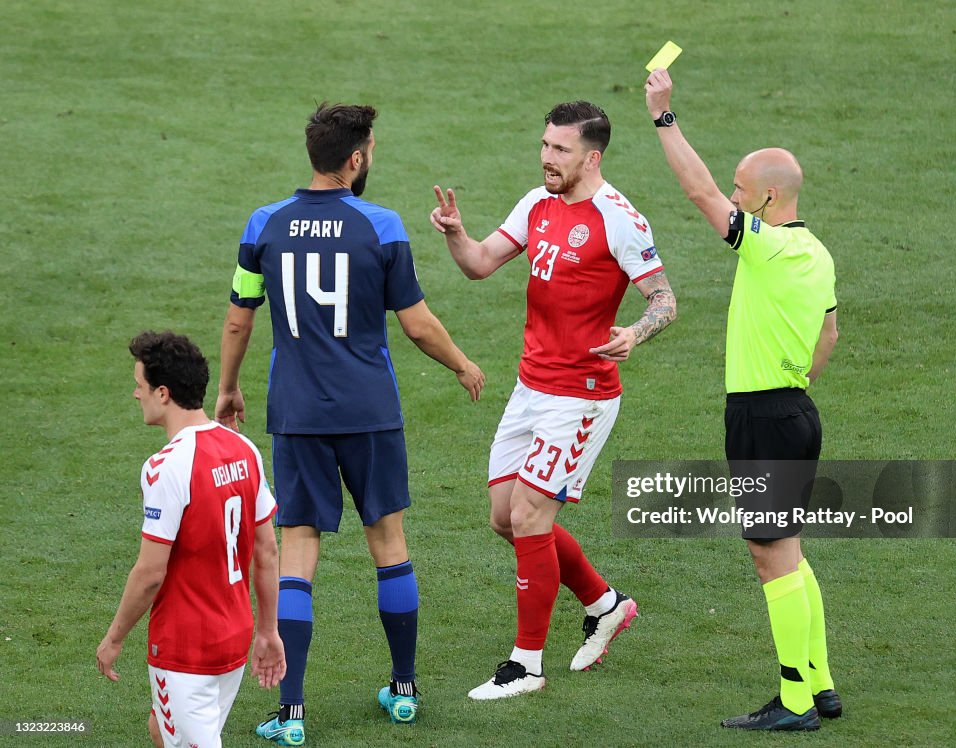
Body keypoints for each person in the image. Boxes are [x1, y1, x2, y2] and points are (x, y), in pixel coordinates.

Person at [217, 103, 485, 744]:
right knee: (388, 543)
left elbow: (238, 316)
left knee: (298, 551)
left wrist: (228, 387)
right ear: (357, 157)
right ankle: (403, 689)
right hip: (370, 411)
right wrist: (462, 363)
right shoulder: (382, 226)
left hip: (298, 413)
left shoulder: (263, 224)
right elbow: (416, 324)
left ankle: (291, 712)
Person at [431, 100, 677, 699]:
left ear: (591, 157)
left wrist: (634, 333)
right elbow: (482, 264)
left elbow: (664, 299)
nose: (546, 157)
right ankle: (606, 603)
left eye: (560, 150)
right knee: (503, 519)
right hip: (530, 387)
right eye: (545, 145)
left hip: (582, 395)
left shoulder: (620, 219)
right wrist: (458, 235)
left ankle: (526, 666)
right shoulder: (537, 204)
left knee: (529, 516)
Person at [644, 68, 841, 731]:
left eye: (741, 190)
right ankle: (821, 684)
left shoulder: (768, 248)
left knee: (770, 557)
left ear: (767, 197)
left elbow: (698, 191)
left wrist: (664, 118)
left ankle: (794, 702)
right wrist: (795, 381)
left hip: (763, 418)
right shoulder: (817, 252)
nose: (732, 195)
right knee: (791, 551)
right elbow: (830, 332)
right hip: (797, 412)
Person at [97, 331, 285, 748]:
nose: (135, 394)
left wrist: (114, 638)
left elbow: (149, 573)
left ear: (163, 393)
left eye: (140, 385)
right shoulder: (244, 450)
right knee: (162, 726)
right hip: (233, 638)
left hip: (186, 649)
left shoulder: (165, 467)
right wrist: (269, 631)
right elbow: (268, 551)